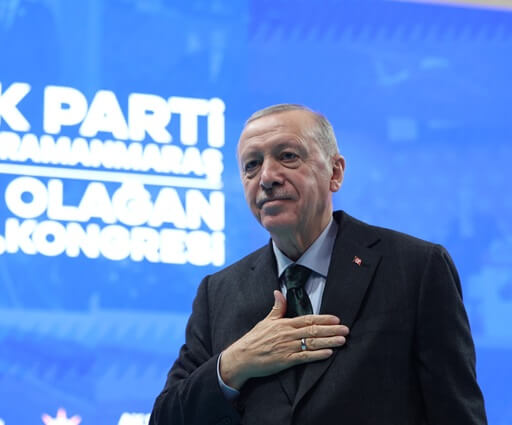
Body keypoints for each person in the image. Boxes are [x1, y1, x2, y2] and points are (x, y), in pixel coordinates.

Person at [149, 104, 487, 425]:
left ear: (335, 173)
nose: (267, 177)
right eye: (252, 164)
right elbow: (166, 418)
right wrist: (234, 363)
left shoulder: (416, 268)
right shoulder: (218, 292)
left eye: (287, 156)